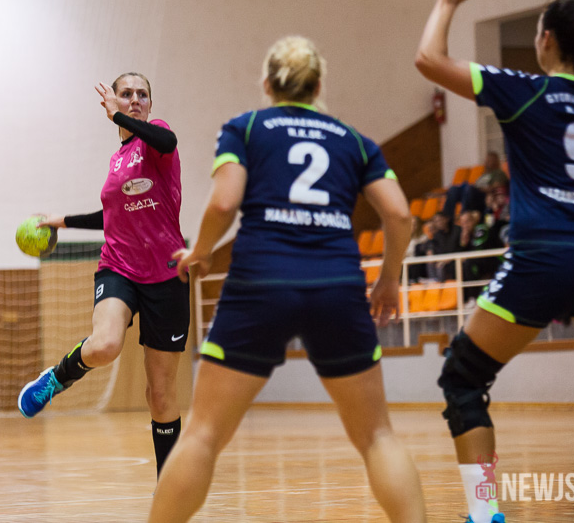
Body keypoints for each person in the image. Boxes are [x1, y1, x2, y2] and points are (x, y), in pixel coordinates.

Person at [147, 36, 426, 523]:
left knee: (203, 434)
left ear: (266, 85)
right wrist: (388, 280)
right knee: (377, 435)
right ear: (318, 87)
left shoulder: (246, 128)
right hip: (337, 287)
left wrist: (201, 252)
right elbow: (400, 215)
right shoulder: (354, 140)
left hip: (261, 283)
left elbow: (224, 203)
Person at [416, 0, 574, 522]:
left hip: (542, 260)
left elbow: (428, 60)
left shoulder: (524, 91)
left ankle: (484, 513)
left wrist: (447, 2)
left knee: (463, 378)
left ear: (546, 40)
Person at [17, 72, 189, 479]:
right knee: (106, 344)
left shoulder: (157, 138)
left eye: (142, 94)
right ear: (112, 99)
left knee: (160, 393)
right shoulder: (117, 162)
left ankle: (168, 486)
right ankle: (56, 378)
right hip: (120, 266)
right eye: (126, 94)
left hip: (167, 274)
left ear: (150, 104)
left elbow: (168, 141)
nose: (135, 99)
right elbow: (111, 215)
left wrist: (120, 117)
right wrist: (62, 221)